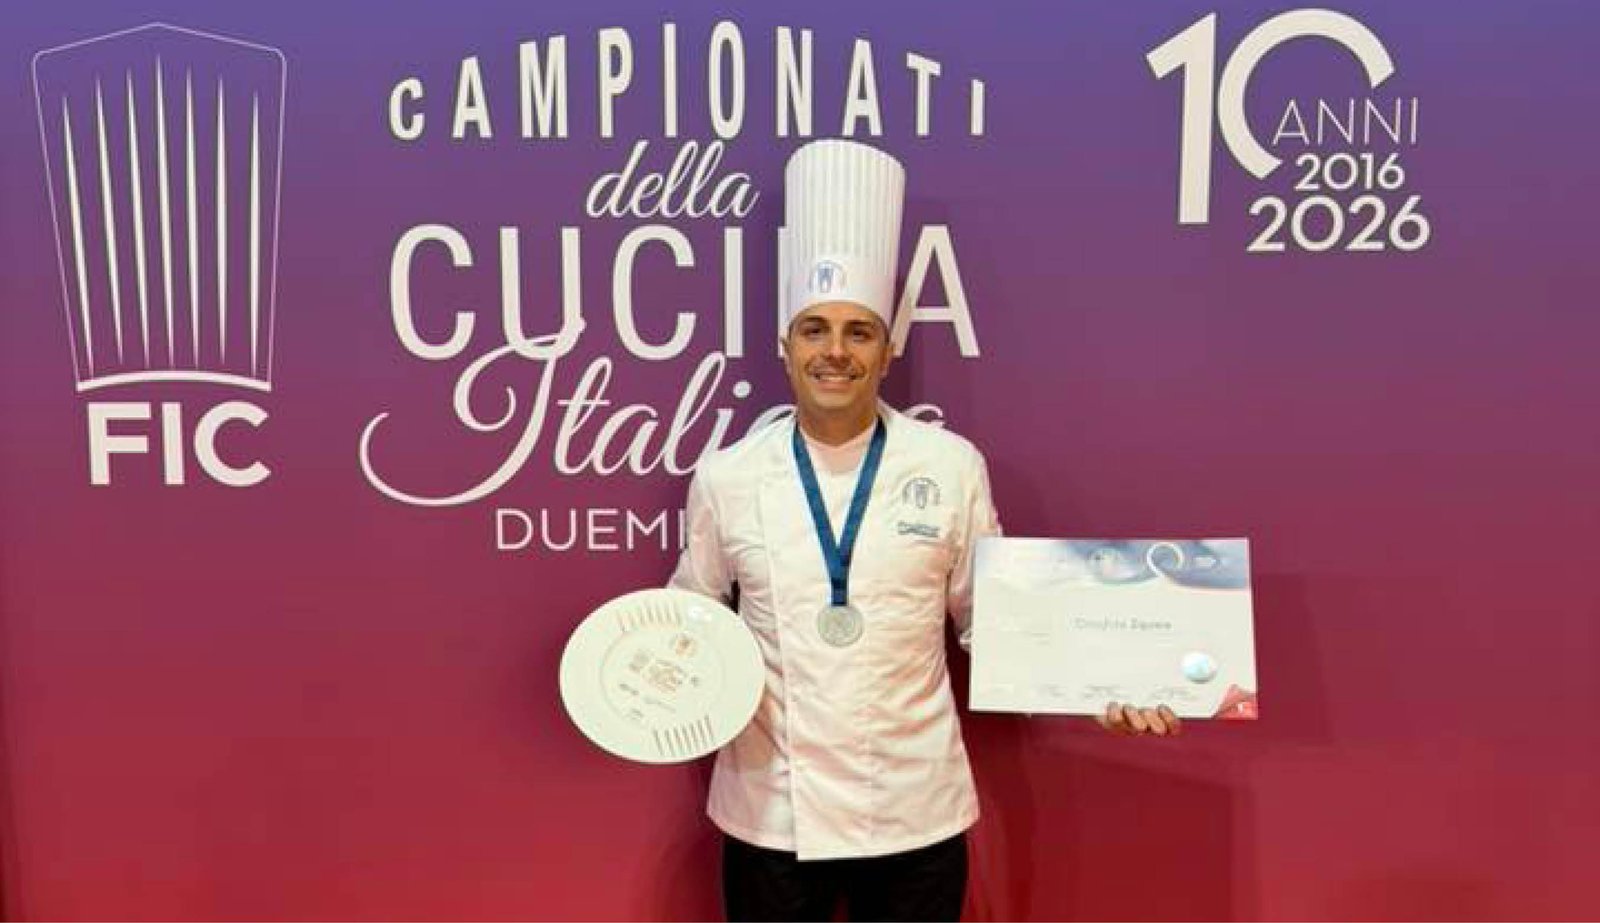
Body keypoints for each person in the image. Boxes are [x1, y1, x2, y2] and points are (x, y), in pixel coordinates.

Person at [669, 139, 1178, 922]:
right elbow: (691, 620)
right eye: (814, 329)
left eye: (859, 332)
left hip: (915, 810)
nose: (835, 351)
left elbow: (995, 623)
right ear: (785, 346)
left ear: (888, 349)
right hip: (771, 810)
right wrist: (642, 683)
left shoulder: (950, 465)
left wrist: (1111, 681)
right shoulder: (725, 477)